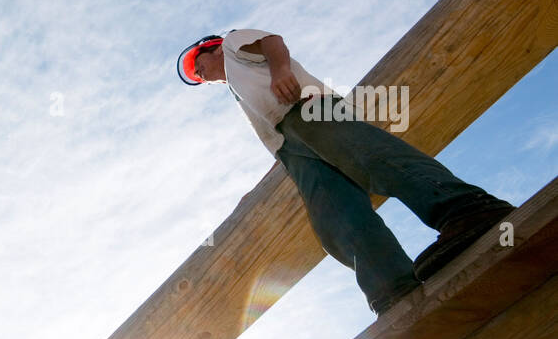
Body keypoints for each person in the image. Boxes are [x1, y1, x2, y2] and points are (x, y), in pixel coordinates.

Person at [177, 30, 514, 314]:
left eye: (198, 66)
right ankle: (391, 288)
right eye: (197, 76)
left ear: (211, 49)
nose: (201, 76)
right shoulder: (238, 89)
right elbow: (270, 128)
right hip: (289, 146)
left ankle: (466, 210)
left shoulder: (234, 44)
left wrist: (281, 72)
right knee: (335, 217)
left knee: (370, 156)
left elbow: (272, 41)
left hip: (306, 108)